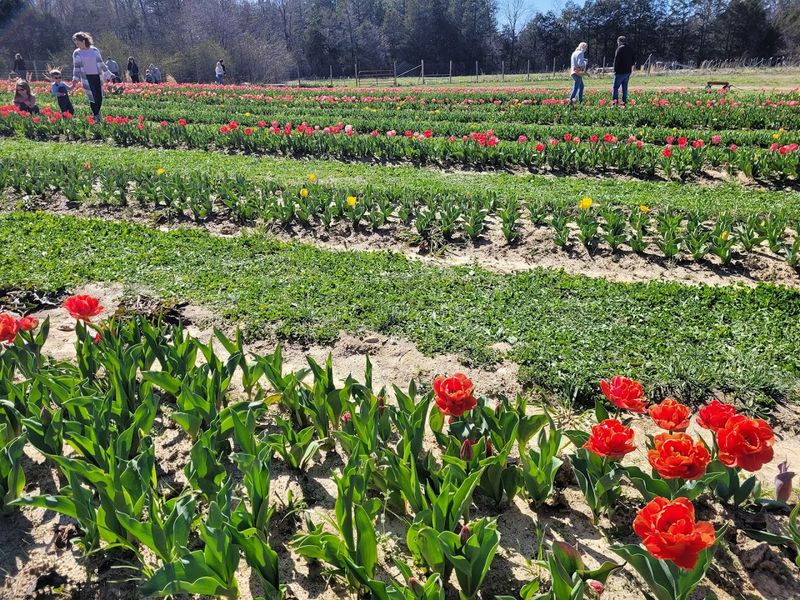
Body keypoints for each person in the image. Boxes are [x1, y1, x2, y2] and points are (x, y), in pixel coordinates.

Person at [71, 31, 111, 119]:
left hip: (97, 76)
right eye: (76, 43)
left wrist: (109, 74)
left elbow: (101, 63)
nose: (77, 45)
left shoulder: (94, 50)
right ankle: (96, 115)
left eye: (78, 43)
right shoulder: (76, 53)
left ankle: (97, 113)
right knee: (92, 96)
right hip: (87, 78)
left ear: (84, 41)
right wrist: (75, 79)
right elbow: (76, 67)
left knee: (99, 97)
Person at [612, 36, 635, 105]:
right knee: (624, 87)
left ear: (620, 41)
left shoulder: (619, 49)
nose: (618, 44)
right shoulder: (630, 49)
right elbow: (633, 61)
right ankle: (624, 102)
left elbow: (616, 61)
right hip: (628, 71)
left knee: (615, 87)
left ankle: (615, 103)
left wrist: (615, 70)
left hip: (620, 72)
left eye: (618, 42)